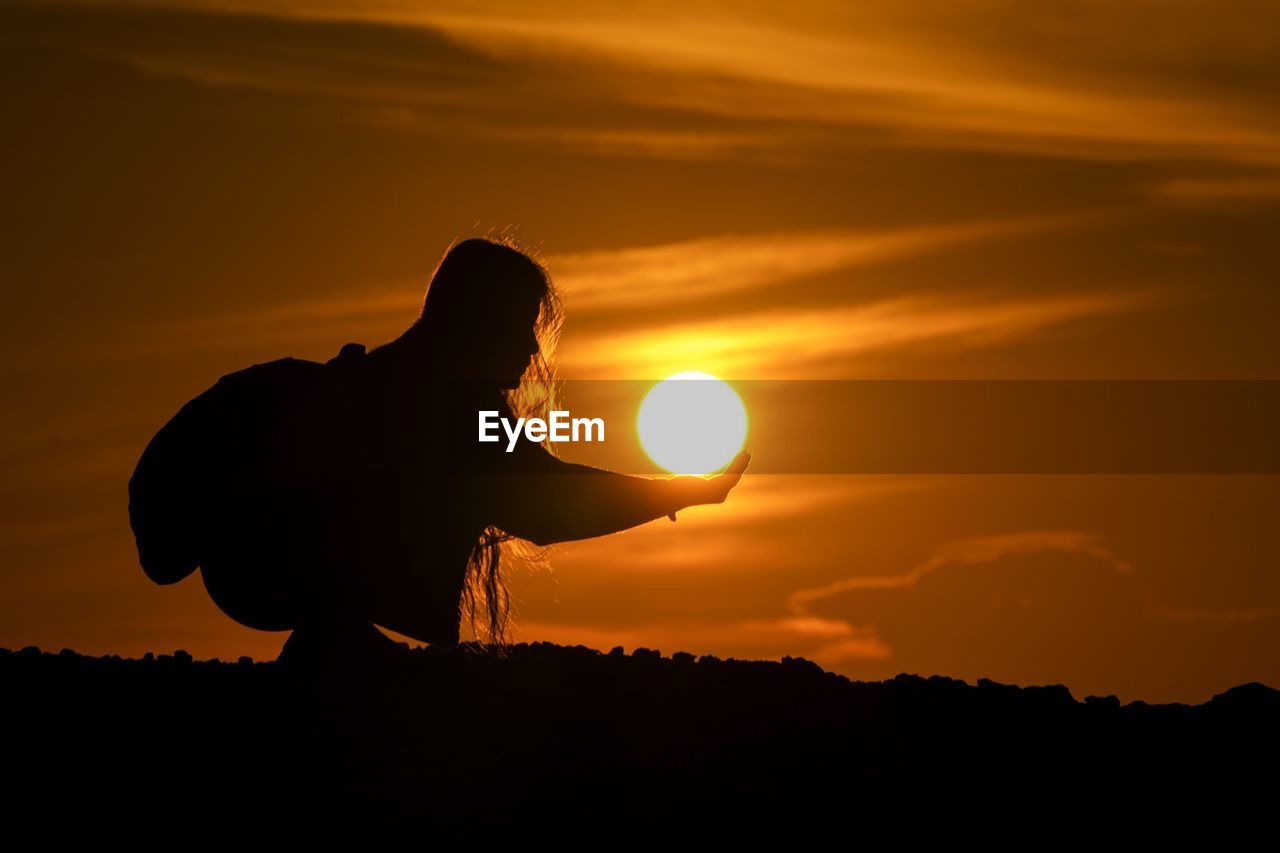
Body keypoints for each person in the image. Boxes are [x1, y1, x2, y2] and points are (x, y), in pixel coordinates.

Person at [127, 236, 750, 666]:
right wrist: (681, 492)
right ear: (475, 321)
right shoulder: (449, 412)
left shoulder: (374, 391)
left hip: (298, 608)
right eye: (520, 324)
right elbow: (549, 504)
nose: (533, 350)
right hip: (314, 623)